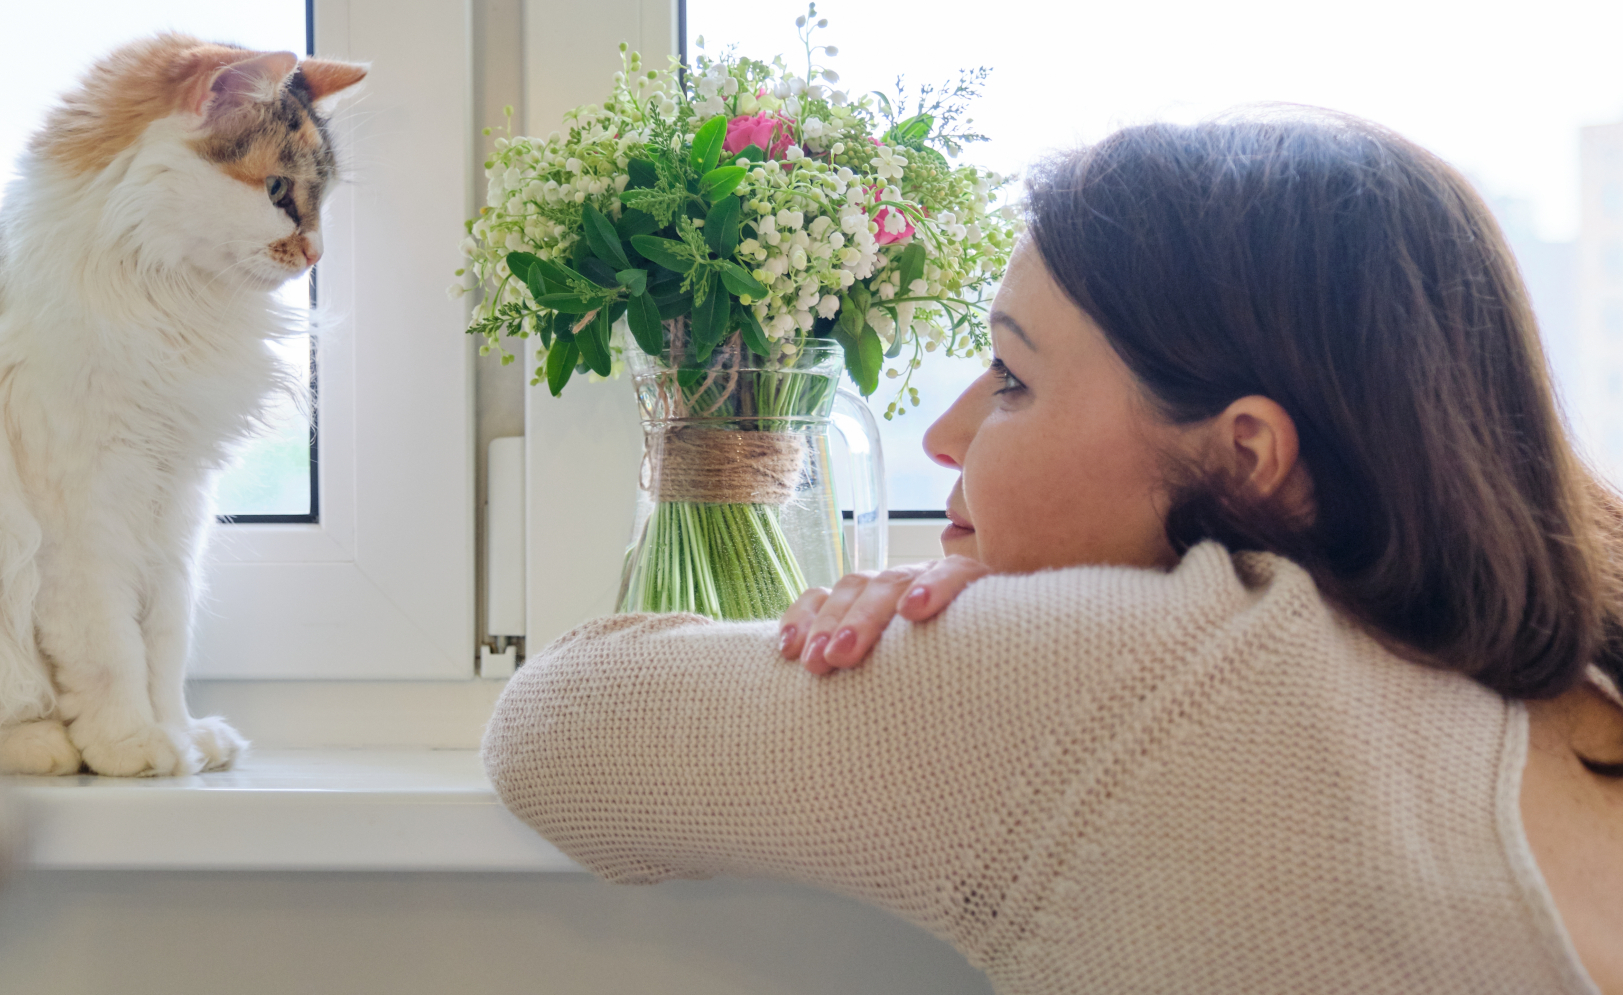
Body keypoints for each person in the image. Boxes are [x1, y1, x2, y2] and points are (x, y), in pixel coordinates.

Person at [483, 110, 1623, 994]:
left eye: (1016, 379)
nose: (944, 434)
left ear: (1243, 456)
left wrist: (970, 617)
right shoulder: (1571, 671)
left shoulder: (1146, 669)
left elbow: (557, 729)